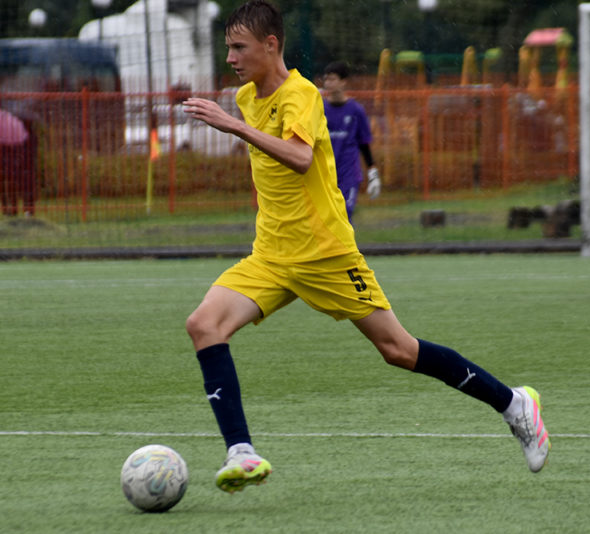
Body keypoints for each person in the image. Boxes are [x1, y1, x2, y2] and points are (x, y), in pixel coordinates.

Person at [182, 0, 550, 494]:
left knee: (398, 350)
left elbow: (299, 157)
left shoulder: (301, 94)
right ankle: (241, 452)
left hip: (327, 254)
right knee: (204, 325)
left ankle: (513, 404)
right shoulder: (248, 96)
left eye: (238, 47)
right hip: (271, 255)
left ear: (270, 45)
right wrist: (238, 121)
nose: (229, 58)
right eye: (227, 47)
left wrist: (234, 126)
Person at [322, 60, 380, 220]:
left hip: (348, 174)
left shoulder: (356, 110)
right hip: (324, 173)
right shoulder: (320, 109)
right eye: (326, 79)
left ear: (343, 82)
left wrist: (372, 172)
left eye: (332, 79)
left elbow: (364, 143)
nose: (328, 83)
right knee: (325, 219)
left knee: (344, 215)